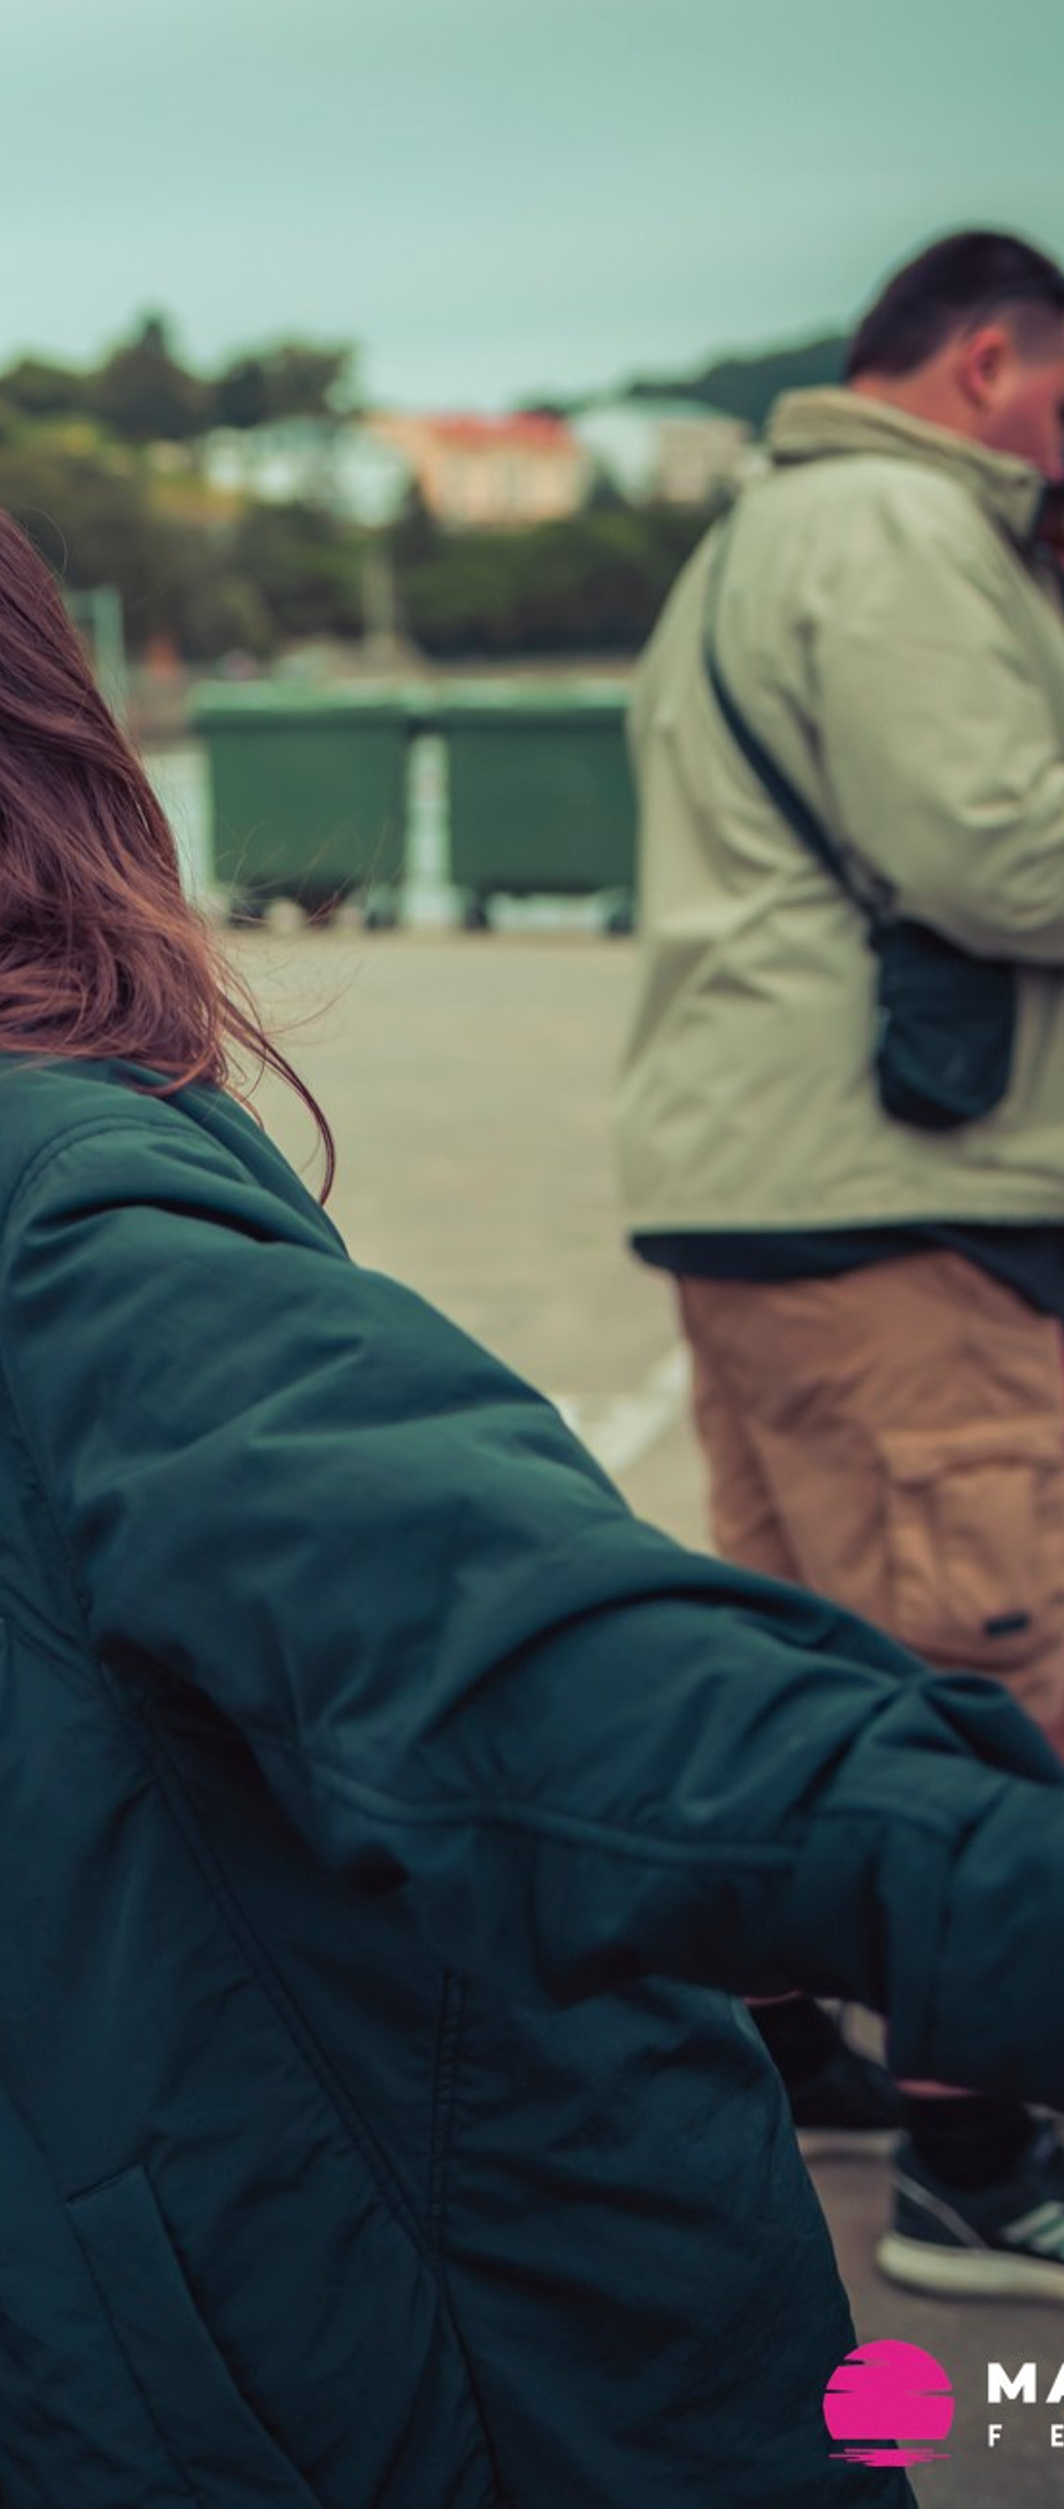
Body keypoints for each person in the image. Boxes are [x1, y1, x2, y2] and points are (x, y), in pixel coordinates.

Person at [0, 448, 1064, 2509]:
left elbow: (504, 1644)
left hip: (470, 2424)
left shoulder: (33, 1186)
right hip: (227, 2385)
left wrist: (988, 1890)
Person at [614, 228, 1064, 2266]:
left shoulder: (765, 523)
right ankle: (991, 2148)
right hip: (892, 1183)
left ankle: (789, 2031)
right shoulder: (894, 525)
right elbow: (992, 840)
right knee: (1001, 1645)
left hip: (765, 1168)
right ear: (988, 359)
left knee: (799, 1638)